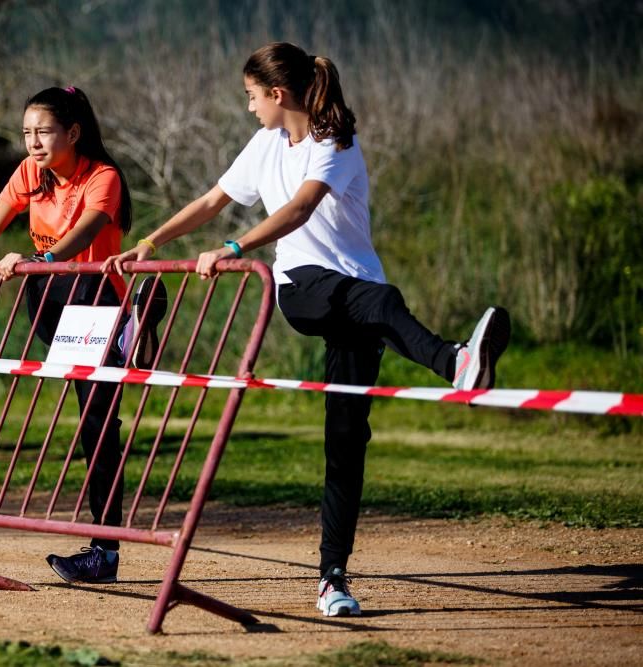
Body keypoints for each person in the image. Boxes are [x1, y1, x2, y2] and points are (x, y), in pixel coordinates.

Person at [103, 42, 511, 617]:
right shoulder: (264, 144)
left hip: (360, 299)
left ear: (278, 93)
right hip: (304, 290)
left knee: (345, 443)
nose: (248, 108)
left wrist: (234, 246)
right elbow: (214, 199)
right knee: (383, 301)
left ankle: (332, 579)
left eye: (251, 97)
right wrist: (153, 241)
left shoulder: (335, 144)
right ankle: (455, 363)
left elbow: (300, 208)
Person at [0, 86, 165, 585]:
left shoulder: (102, 176)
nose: (34, 142)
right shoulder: (30, 173)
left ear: (73, 132)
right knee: (92, 411)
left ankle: (104, 552)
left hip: (92, 295)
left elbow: (85, 235)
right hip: (50, 299)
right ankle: (131, 344)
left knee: (97, 423)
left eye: (43, 131)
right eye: (26, 133)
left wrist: (41, 259)